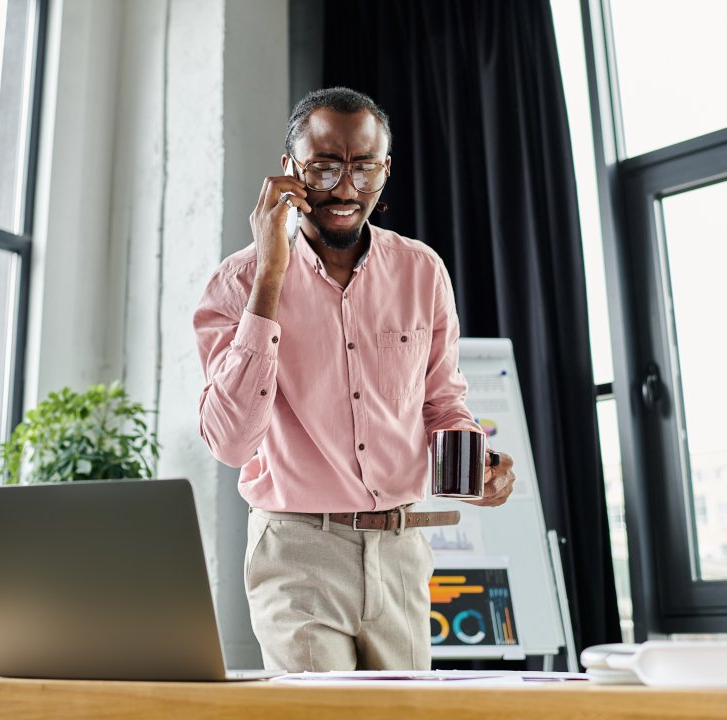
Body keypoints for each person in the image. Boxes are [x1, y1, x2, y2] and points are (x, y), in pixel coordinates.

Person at [193, 87, 516, 672]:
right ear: (290, 171)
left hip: (401, 552)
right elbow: (231, 443)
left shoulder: (422, 271)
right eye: (324, 166)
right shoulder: (237, 283)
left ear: (384, 172)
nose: (345, 188)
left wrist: (477, 469)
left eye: (363, 168)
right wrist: (271, 276)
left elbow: (442, 403)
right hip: (297, 554)